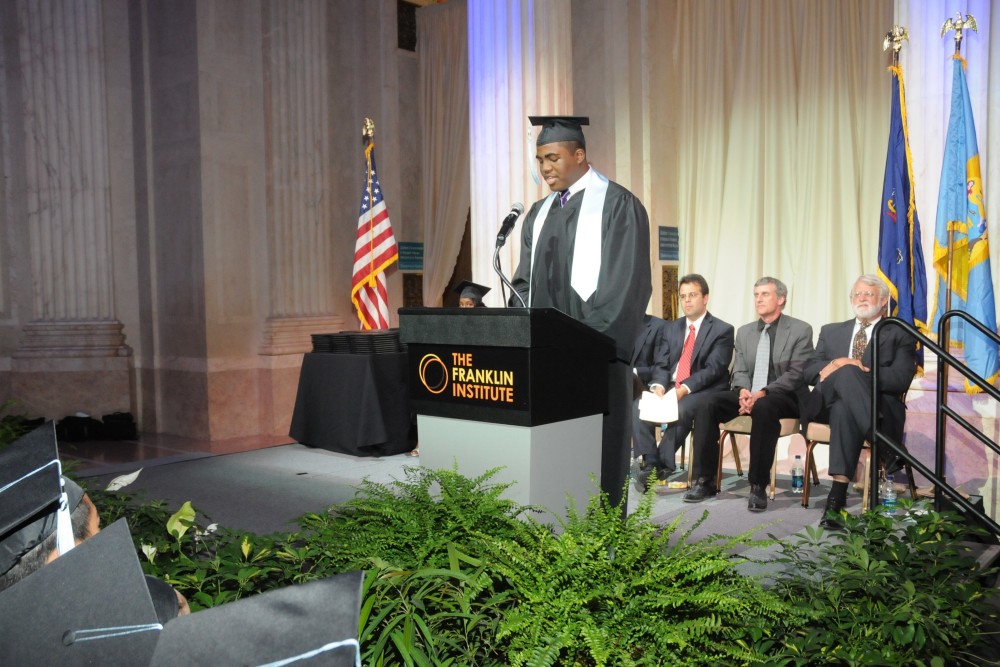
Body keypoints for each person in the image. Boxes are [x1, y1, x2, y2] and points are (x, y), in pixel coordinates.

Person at [510, 115, 651, 510]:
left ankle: (603, 540)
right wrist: (528, 335)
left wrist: (583, 347)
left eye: (553, 158)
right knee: (551, 460)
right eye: (540, 160)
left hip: (597, 361)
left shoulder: (618, 205)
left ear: (579, 155)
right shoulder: (537, 214)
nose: (545, 168)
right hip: (546, 362)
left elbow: (627, 287)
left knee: (596, 462)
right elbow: (523, 284)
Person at [683, 277, 814, 511]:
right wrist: (743, 391)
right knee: (707, 403)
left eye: (765, 294)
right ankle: (705, 479)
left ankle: (758, 485)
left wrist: (761, 393)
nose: (759, 299)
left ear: (781, 299)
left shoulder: (800, 329)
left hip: (785, 397)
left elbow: (796, 374)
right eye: (756, 295)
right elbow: (740, 370)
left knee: (764, 406)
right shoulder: (745, 332)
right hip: (750, 393)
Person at [801, 274, 916, 531]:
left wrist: (857, 372)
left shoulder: (899, 332)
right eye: (857, 294)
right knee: (845, 374)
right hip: (825, 404)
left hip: (877, 405)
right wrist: (838, 363)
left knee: (845, 407)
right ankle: (885, 446)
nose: (861, 298)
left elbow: (900, 379)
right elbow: (808, 371)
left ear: (884, 300)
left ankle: (836, 499)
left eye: (868, 294)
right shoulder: (831, 331)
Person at [632, 274, 734, 490]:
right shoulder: (671, 328)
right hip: (670, 387)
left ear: (705, 298)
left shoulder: (722, 330)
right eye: (683, 296)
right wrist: (658, 386)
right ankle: (651, 463)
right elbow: (662, 363)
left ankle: (662, 465)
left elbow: (713, 369)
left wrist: (684, 389)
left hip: (702, 390)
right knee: (638, 405)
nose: (687, 301)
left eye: (692, 295)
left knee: (682, 407)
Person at [631, 314, 672, 468]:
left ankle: (650, 462)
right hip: (621, 386)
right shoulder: (615, 324)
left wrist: (635, 372)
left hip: (647, 386)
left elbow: (661, 366)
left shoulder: (659, 326)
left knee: (638, 405)